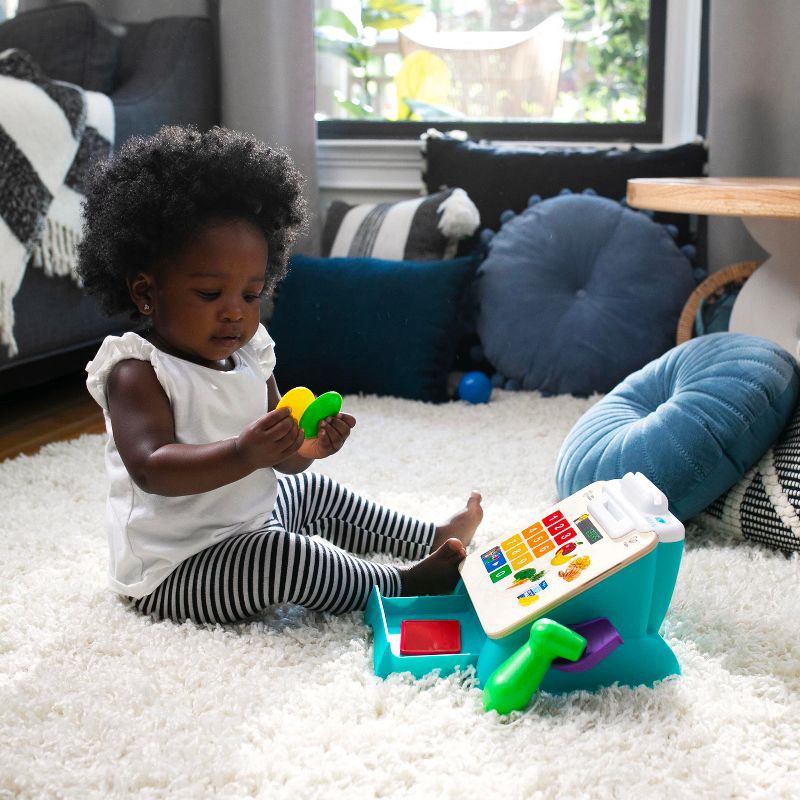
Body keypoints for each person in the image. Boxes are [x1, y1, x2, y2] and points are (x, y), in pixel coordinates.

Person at [80, 125, 483, 624]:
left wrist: (308, 449)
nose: (234, 313)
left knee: (310, 492)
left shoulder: (251, 353)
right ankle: (401, 584)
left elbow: (286, 461)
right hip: (176, 570)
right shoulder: (138, 371)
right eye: (210, 294)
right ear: (146, 292)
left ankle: (425, 534)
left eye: (250, 295)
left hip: (251, 519)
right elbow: (151, 468)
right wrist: (242, 452)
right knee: (284, 557)